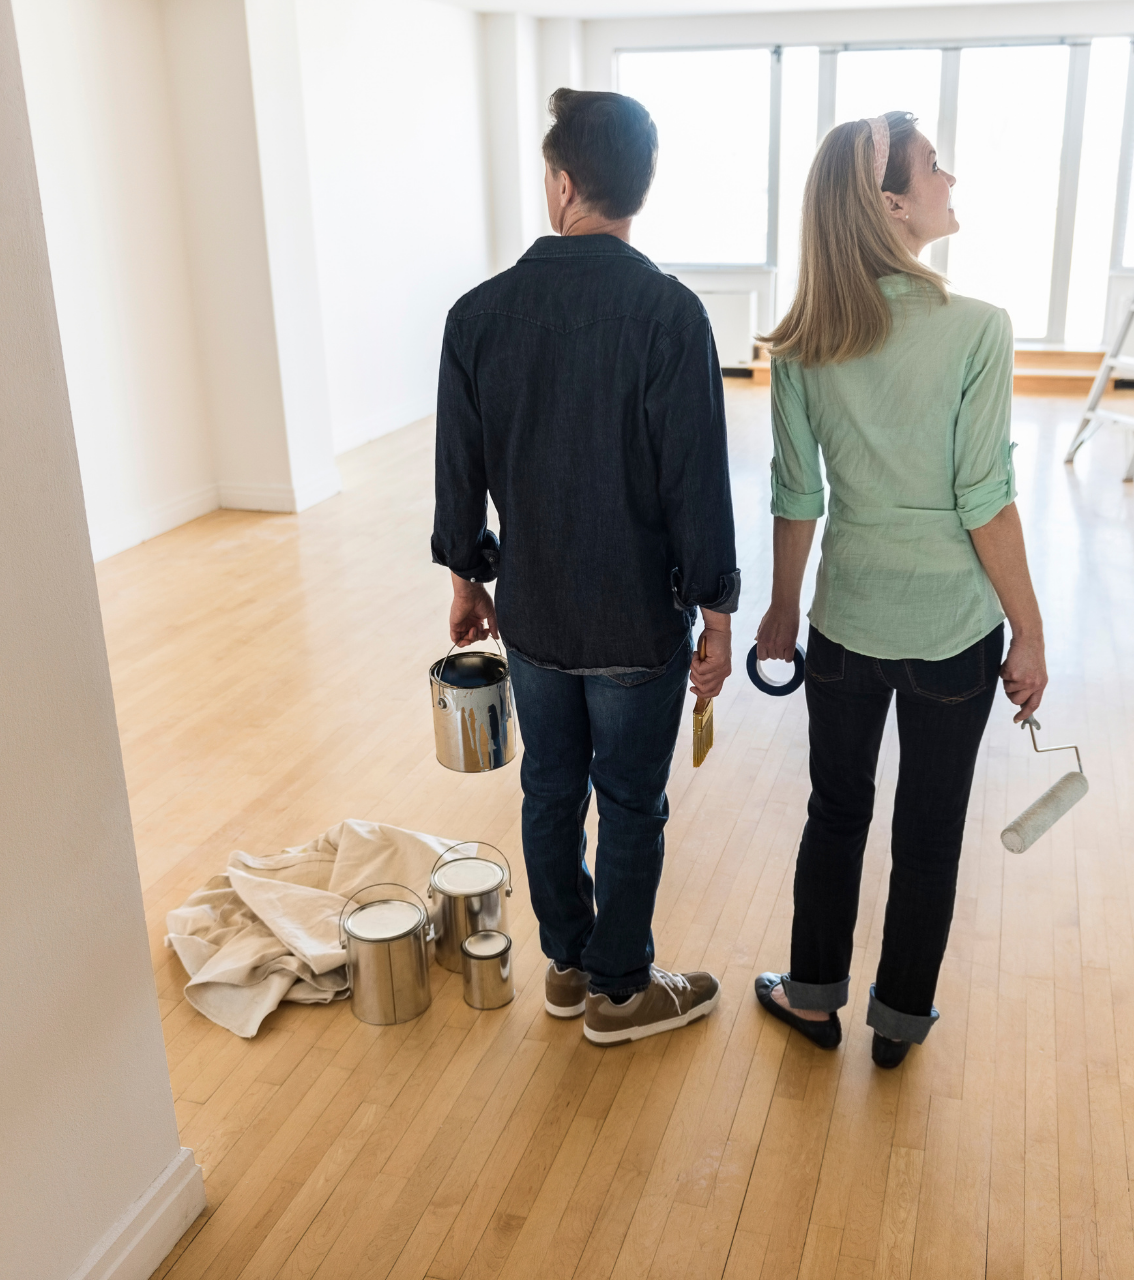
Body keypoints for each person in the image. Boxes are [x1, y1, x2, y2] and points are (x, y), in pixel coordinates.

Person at [431, 89, 738, 1046]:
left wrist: (467, 579)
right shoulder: (670, 315)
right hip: (636, 622)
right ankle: (620, 990)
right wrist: (717, 611)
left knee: (550, 792)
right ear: (636, 190)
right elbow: (698, 481)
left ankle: (566, 966)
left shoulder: (477, 315)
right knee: (632, 803)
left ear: (561, 184)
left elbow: (458, 473)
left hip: (535, 616)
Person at [751, 112, 1047, 1069]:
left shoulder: (803, 342)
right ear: (890, 204)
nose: (949, 177)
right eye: (933, 167)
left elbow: (798, 495)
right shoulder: (978, 332)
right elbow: (985, 501)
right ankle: (900, 1024)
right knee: (929, 834)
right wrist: (1030, 632)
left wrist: (782, 613)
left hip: (846, 623)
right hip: (951, 635)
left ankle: (811, 998)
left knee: (835, 815)